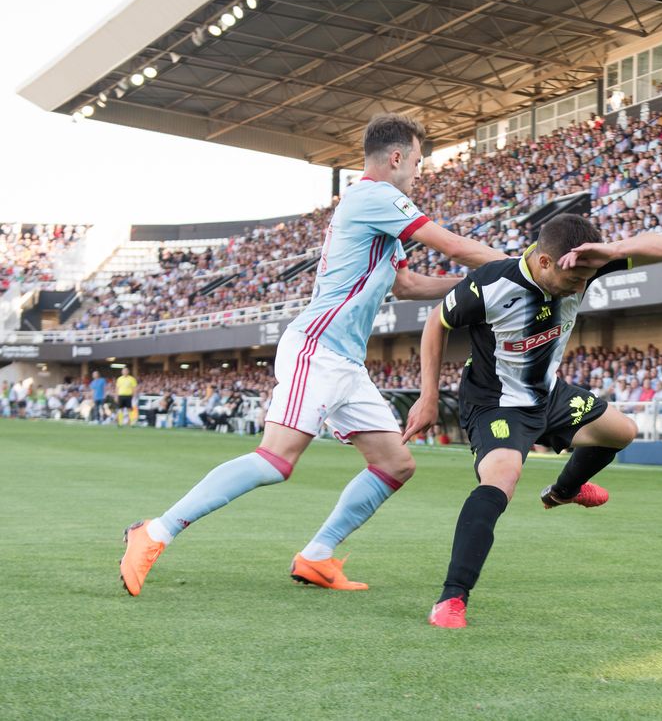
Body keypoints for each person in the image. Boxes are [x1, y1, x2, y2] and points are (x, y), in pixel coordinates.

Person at [118, 113, 506, 597]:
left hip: (345, 362)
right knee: (275, 460)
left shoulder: (377, 209)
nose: (420, 171)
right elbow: (449, 244)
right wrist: (519, 268)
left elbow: (406, 284)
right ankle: (155, 532)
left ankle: (317, 557)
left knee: (395, 464)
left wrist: (476, 288)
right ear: (397, 157)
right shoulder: (376, 195)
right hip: (316, 349)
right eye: (419, 160)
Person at [403, 214, 662, 628]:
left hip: (548, 394)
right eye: (574, 281)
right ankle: (452, 598)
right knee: (502, 478)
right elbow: (436, 323)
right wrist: (427, 397)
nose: (580, 287)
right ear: (546, 263)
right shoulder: (492, 283)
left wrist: (615, 251)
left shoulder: (585, 265)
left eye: (587, 278)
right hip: (496, 402)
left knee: (622, 431)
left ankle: (565, 491)